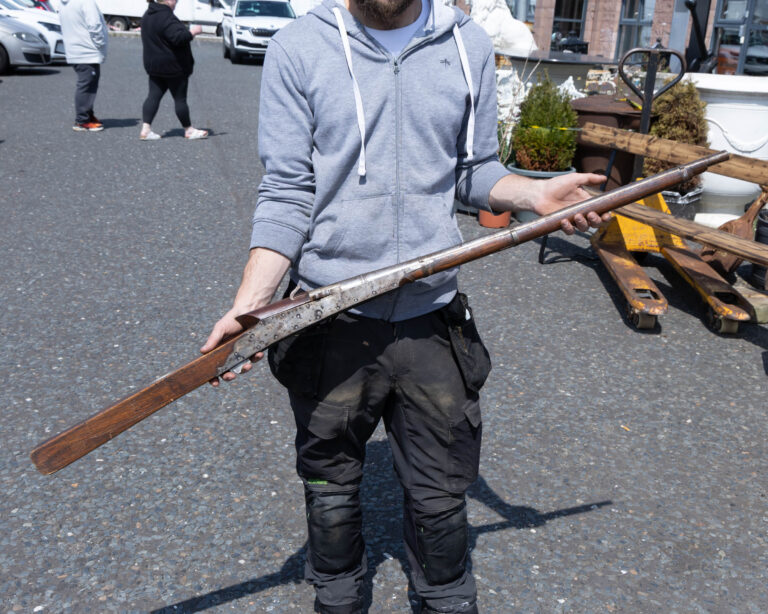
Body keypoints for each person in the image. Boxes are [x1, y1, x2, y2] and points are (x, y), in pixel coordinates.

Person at [201, 0, 607, 612]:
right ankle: (338, 598)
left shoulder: (466, 45)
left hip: (431, 318)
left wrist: (531, 192)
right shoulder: (298, 48)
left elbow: (473, 173)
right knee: (330, 491)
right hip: (328, 318)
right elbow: (288, 190)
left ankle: (443, 599)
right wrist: (250, 308)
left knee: (442, 498)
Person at [139, 0, 207, 141]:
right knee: (180, 99)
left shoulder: (147, 15)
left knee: (153, 96)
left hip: (154, 66)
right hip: (173, 67)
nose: (176, 3)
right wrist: (193, 32)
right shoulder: (166, 17)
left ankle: (146, 129)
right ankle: (188, 130)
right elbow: (178, 38)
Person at [58, 0, 108, 132]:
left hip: (75, 48)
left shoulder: (64, 3)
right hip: (87, 50)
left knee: (89, 83)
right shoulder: (86, 2)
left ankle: (88, 115)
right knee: (86, 84)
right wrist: (100, 43)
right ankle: (82, 120)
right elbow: (94, 24)